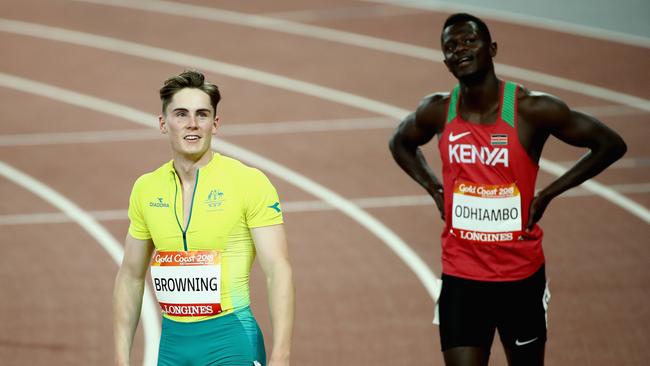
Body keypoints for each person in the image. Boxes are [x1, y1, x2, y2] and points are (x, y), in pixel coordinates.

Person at [389, 13, 626, 366]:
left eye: (469, 41)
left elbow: (609, 144)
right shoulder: (438, 111)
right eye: (451, 46)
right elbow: (400, 143)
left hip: (520, 277)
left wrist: (548, 193)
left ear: (492, 48)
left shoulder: (531, 109)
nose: (460, 50)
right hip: (461, 274)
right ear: (445, 62)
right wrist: (434, 188)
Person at [113, 70, 294, 366]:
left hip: (231, 341)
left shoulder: (248, 182)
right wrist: (121, 359)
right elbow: (130, 276)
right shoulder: (146, 188)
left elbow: (278, 270)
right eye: (181, 114)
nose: (192, 124)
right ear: (163, 123)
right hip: (172, 346)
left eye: (202, 114)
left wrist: (282, 354)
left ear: (215, 123)